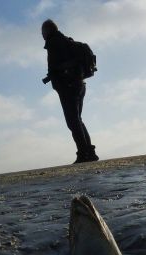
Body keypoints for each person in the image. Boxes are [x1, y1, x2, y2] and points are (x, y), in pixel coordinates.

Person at [41, 19, 99, 164]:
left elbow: (54, 67)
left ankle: (83, 154)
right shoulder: (66, 41)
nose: (42, 34)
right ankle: (90, 153)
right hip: (79, 84)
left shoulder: (54, 43)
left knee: (73, 122)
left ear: (47, 31)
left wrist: (57, 79)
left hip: (69, 86)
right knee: (77, 120)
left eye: (42, 31)